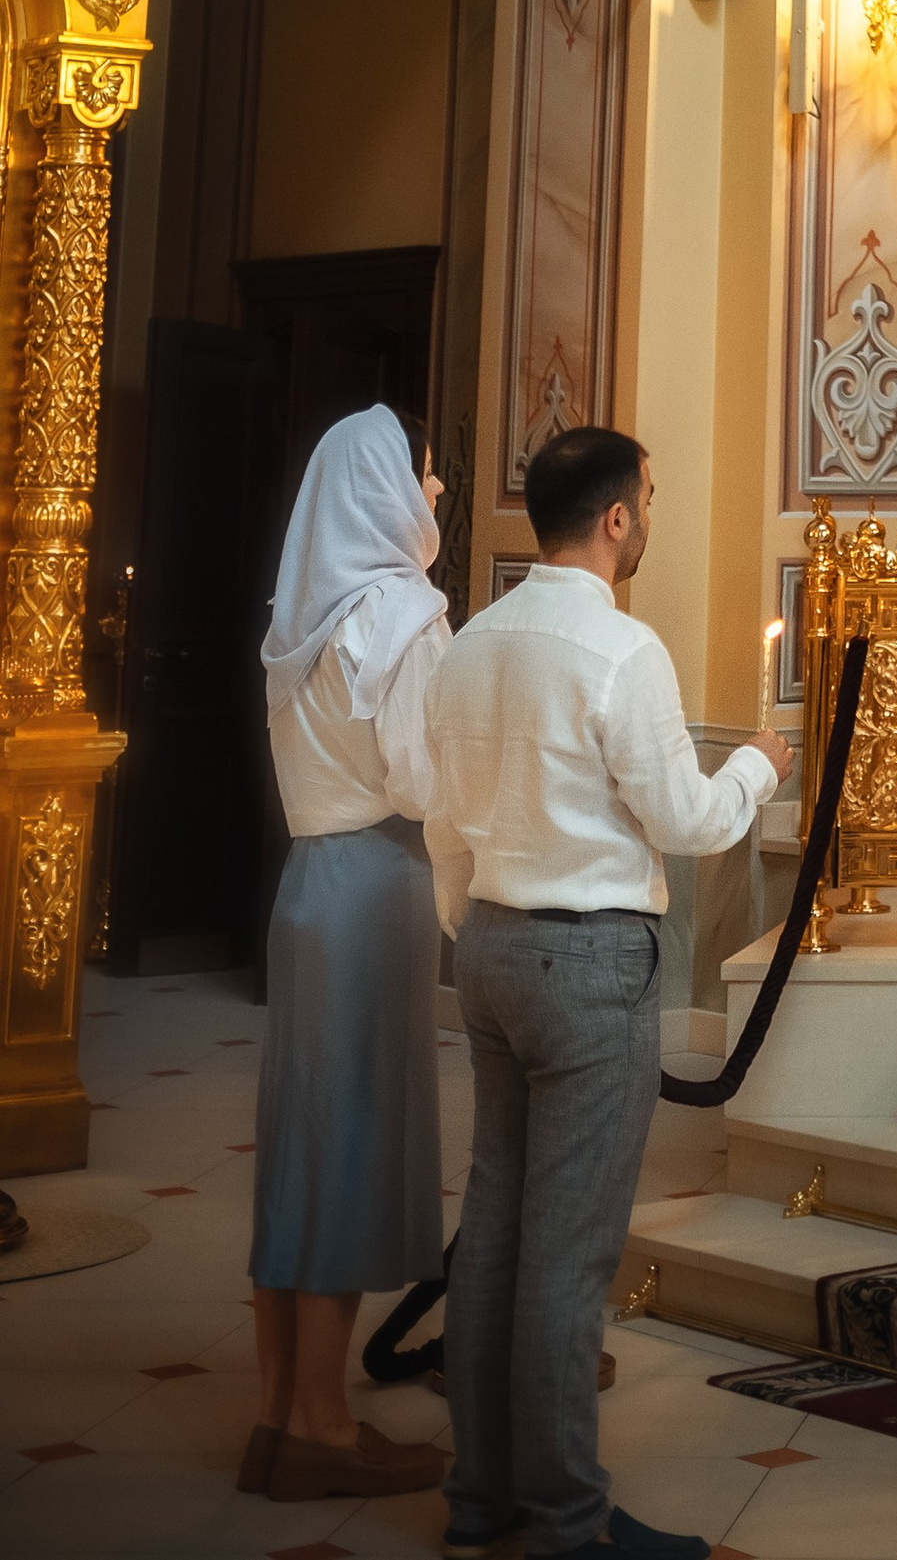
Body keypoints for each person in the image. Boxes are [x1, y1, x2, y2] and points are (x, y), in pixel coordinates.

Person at [429, 428, 796, 1560]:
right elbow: (684, 821)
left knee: (492, 1230)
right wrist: (759, 763)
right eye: (650, 496)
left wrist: (476, 925)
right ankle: (566, 1525)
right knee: (566, 1251)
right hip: (586, 965)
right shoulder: (622, 650)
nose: (651, 512)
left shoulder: (472, 640)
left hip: (487, 945)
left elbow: (442, 820)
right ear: (619, 518)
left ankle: (480, 1499)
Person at [245, 406, 453, 1507]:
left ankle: (276, 1414)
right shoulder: (406, 615)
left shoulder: (302, 618)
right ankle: (325, 1427)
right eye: (426, 475)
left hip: (306, 889)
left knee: (299, 1149)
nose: (436, 494)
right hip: (376, 884)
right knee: (351, 1149)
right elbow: (421, 782)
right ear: (386, 487)